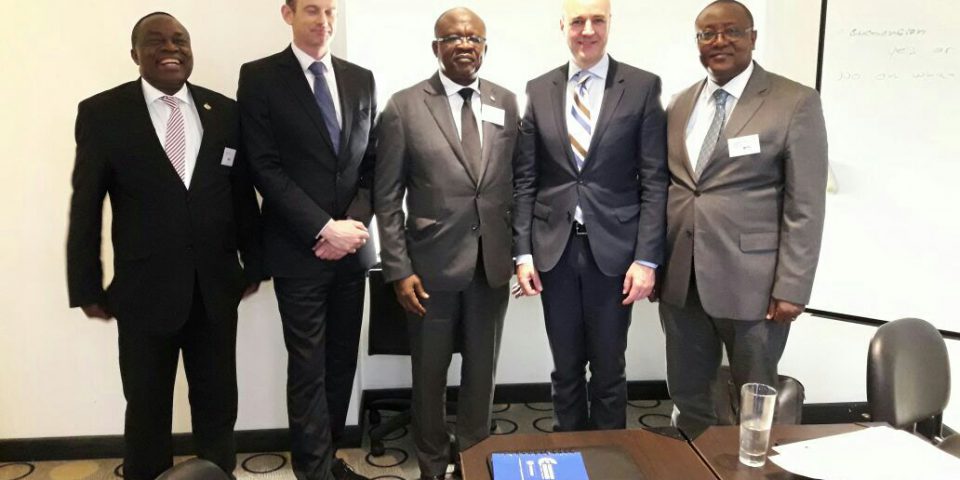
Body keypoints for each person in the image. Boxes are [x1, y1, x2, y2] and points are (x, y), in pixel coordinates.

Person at [66, 12, 264, 480]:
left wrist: (254, 265)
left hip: (216, 289)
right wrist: (86, 286)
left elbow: (241, 194)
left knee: (218, 405)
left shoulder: (224, 111)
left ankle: (217, 475)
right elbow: (86, 205)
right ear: (135, 54)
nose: (171, 48)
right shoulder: (103, 113)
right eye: (156, 41)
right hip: (143, 292)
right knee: (146, 411)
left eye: (180, 40)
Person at [658, 0, 828, 437]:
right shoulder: (679, 104)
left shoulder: (794, 102)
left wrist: (793, 286)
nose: (719, 41)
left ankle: (752, 465)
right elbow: (674, 188)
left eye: (732, 31)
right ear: (697, 42)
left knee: (755, 400)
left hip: (755, 286)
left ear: (753, 38)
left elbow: (805, 205)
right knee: (689, 396)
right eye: (707, 34)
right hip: (683, 280)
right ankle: (693, 460)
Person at [374, 7, 518, 479]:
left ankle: (474, 460)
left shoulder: (505, 101)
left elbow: (515, 183)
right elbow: (387, 197)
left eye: (474, 38)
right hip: (429, 270)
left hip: (489, 266)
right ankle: (433, 466)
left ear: (485, 47)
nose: (465, 45)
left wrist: (520, 253)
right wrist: (398, 268)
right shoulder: (404, 106)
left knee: (482, 375)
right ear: (436, 48)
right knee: (429, 376)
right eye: (454, 38)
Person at [513, 0, 668, 432]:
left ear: (609, 24)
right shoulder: (538, 89)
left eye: (597, 20)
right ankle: (569, 452)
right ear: (562, 25)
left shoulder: (641, 86)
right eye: (578, 21)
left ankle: (609, 457)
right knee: (564, 369)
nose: (587, 30)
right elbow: (526, 180)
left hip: (615, 254)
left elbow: (655, 181)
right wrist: (522, 253)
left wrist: (647, 259)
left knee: (608, 371)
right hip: (554, 252)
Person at [236, 0, 376, 478]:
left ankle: (328, 459)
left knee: (340, 365)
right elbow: (264, 167)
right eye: (312, 9)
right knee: (308, 369)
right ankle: (312, 472)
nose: (323, 21)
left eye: (330, 11)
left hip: (351, 252)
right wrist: (323, 228)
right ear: (287, 13)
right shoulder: (260, 78)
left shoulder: (361, 79)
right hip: (299, 251)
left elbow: (370, 166)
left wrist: (350, 228)